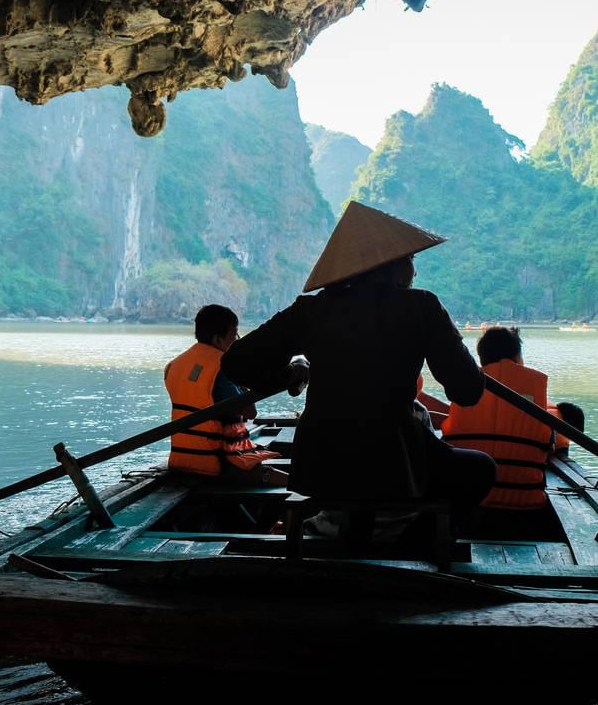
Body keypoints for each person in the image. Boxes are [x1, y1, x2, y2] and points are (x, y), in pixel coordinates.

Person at [220, 201, 495, 534]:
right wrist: (469, 366)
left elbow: (235, 362)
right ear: (389, 265)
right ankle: (416, 540)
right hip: (393, 467)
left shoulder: (312, 310)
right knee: (480, 469)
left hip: (320, 470)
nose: (414, 271)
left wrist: (287, 374)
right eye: (410, 260)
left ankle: (343, 531)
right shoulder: (421, 307)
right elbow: (467, 392)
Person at [442, 326, 559, 538]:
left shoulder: (466, 385)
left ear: (481, 358)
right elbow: (550, 448)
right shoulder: (535, 385)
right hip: (525, 507)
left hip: (470, 505)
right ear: (517, 356)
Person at [164, 304, 282, 482]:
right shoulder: (222, 367)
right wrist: (244, 380)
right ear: (218, 339)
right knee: (290, 480)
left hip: (182, 461)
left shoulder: (174, 365)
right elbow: (251, 412)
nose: (237, 339)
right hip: (221, 463)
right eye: (234, 334)